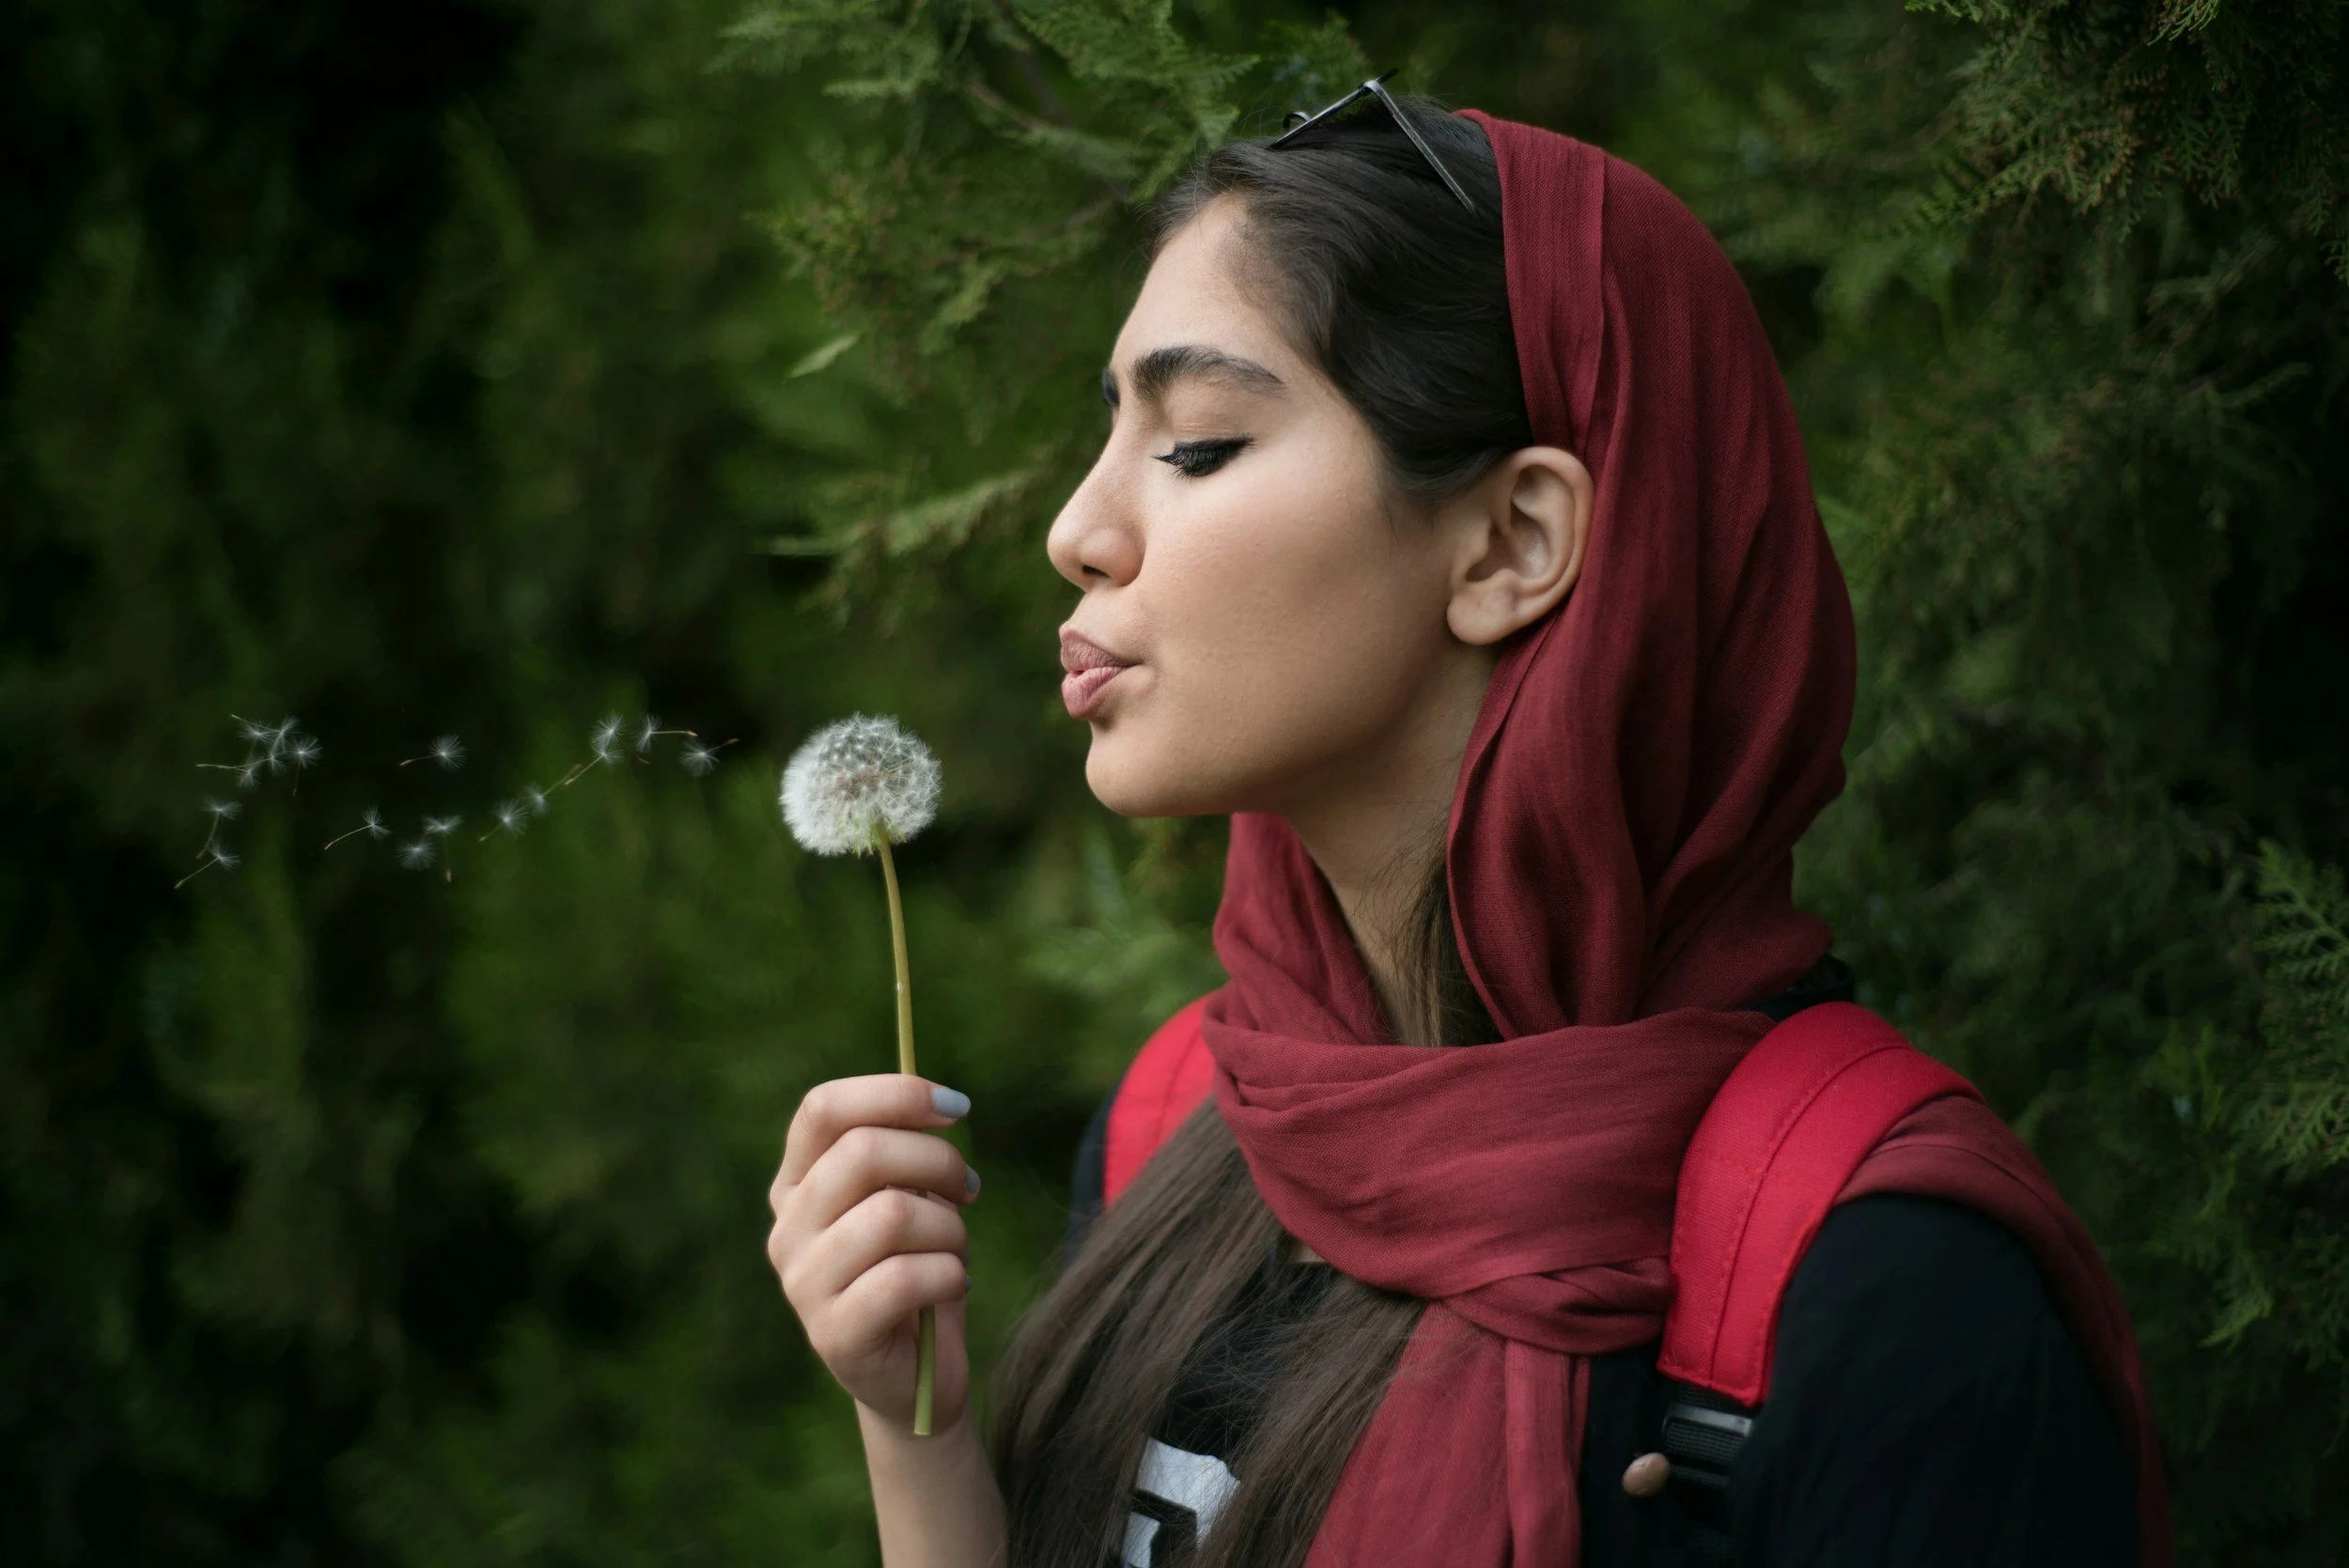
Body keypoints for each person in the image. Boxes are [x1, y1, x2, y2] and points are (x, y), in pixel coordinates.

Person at [765, 94, 2165, 1568]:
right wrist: (914, 1438)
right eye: (1104, 433)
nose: (1075, 527)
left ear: (1512, 545)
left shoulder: (1893, 1290)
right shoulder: (1189, 1117)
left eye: (1196, 444)